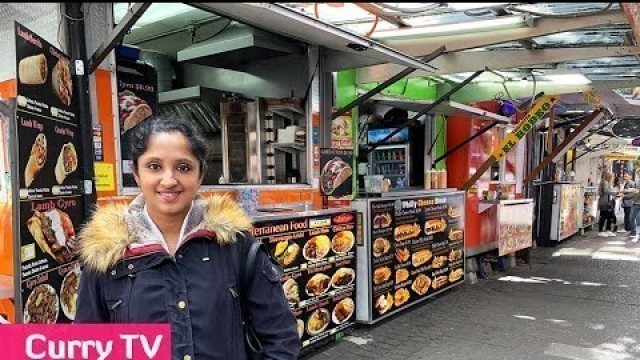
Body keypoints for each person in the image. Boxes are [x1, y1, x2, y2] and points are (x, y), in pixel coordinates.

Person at [75, 116, 300, 359]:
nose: (169, 180)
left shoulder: (236, 245)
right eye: (154, 166)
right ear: (136, 173)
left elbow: (280, 338)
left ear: (200, 174)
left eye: (183, 167)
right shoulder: (105, 253)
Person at [597, 172, 617, 237]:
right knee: (603, 216)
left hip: (607, 202)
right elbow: (606, 191)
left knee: (609, 216)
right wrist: (615, 193)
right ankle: (600, 231)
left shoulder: (606, 182)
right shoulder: (605, 182)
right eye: (612, 177)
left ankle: (608, 230)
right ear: (609, 177)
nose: (613, 178)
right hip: (604, 202)